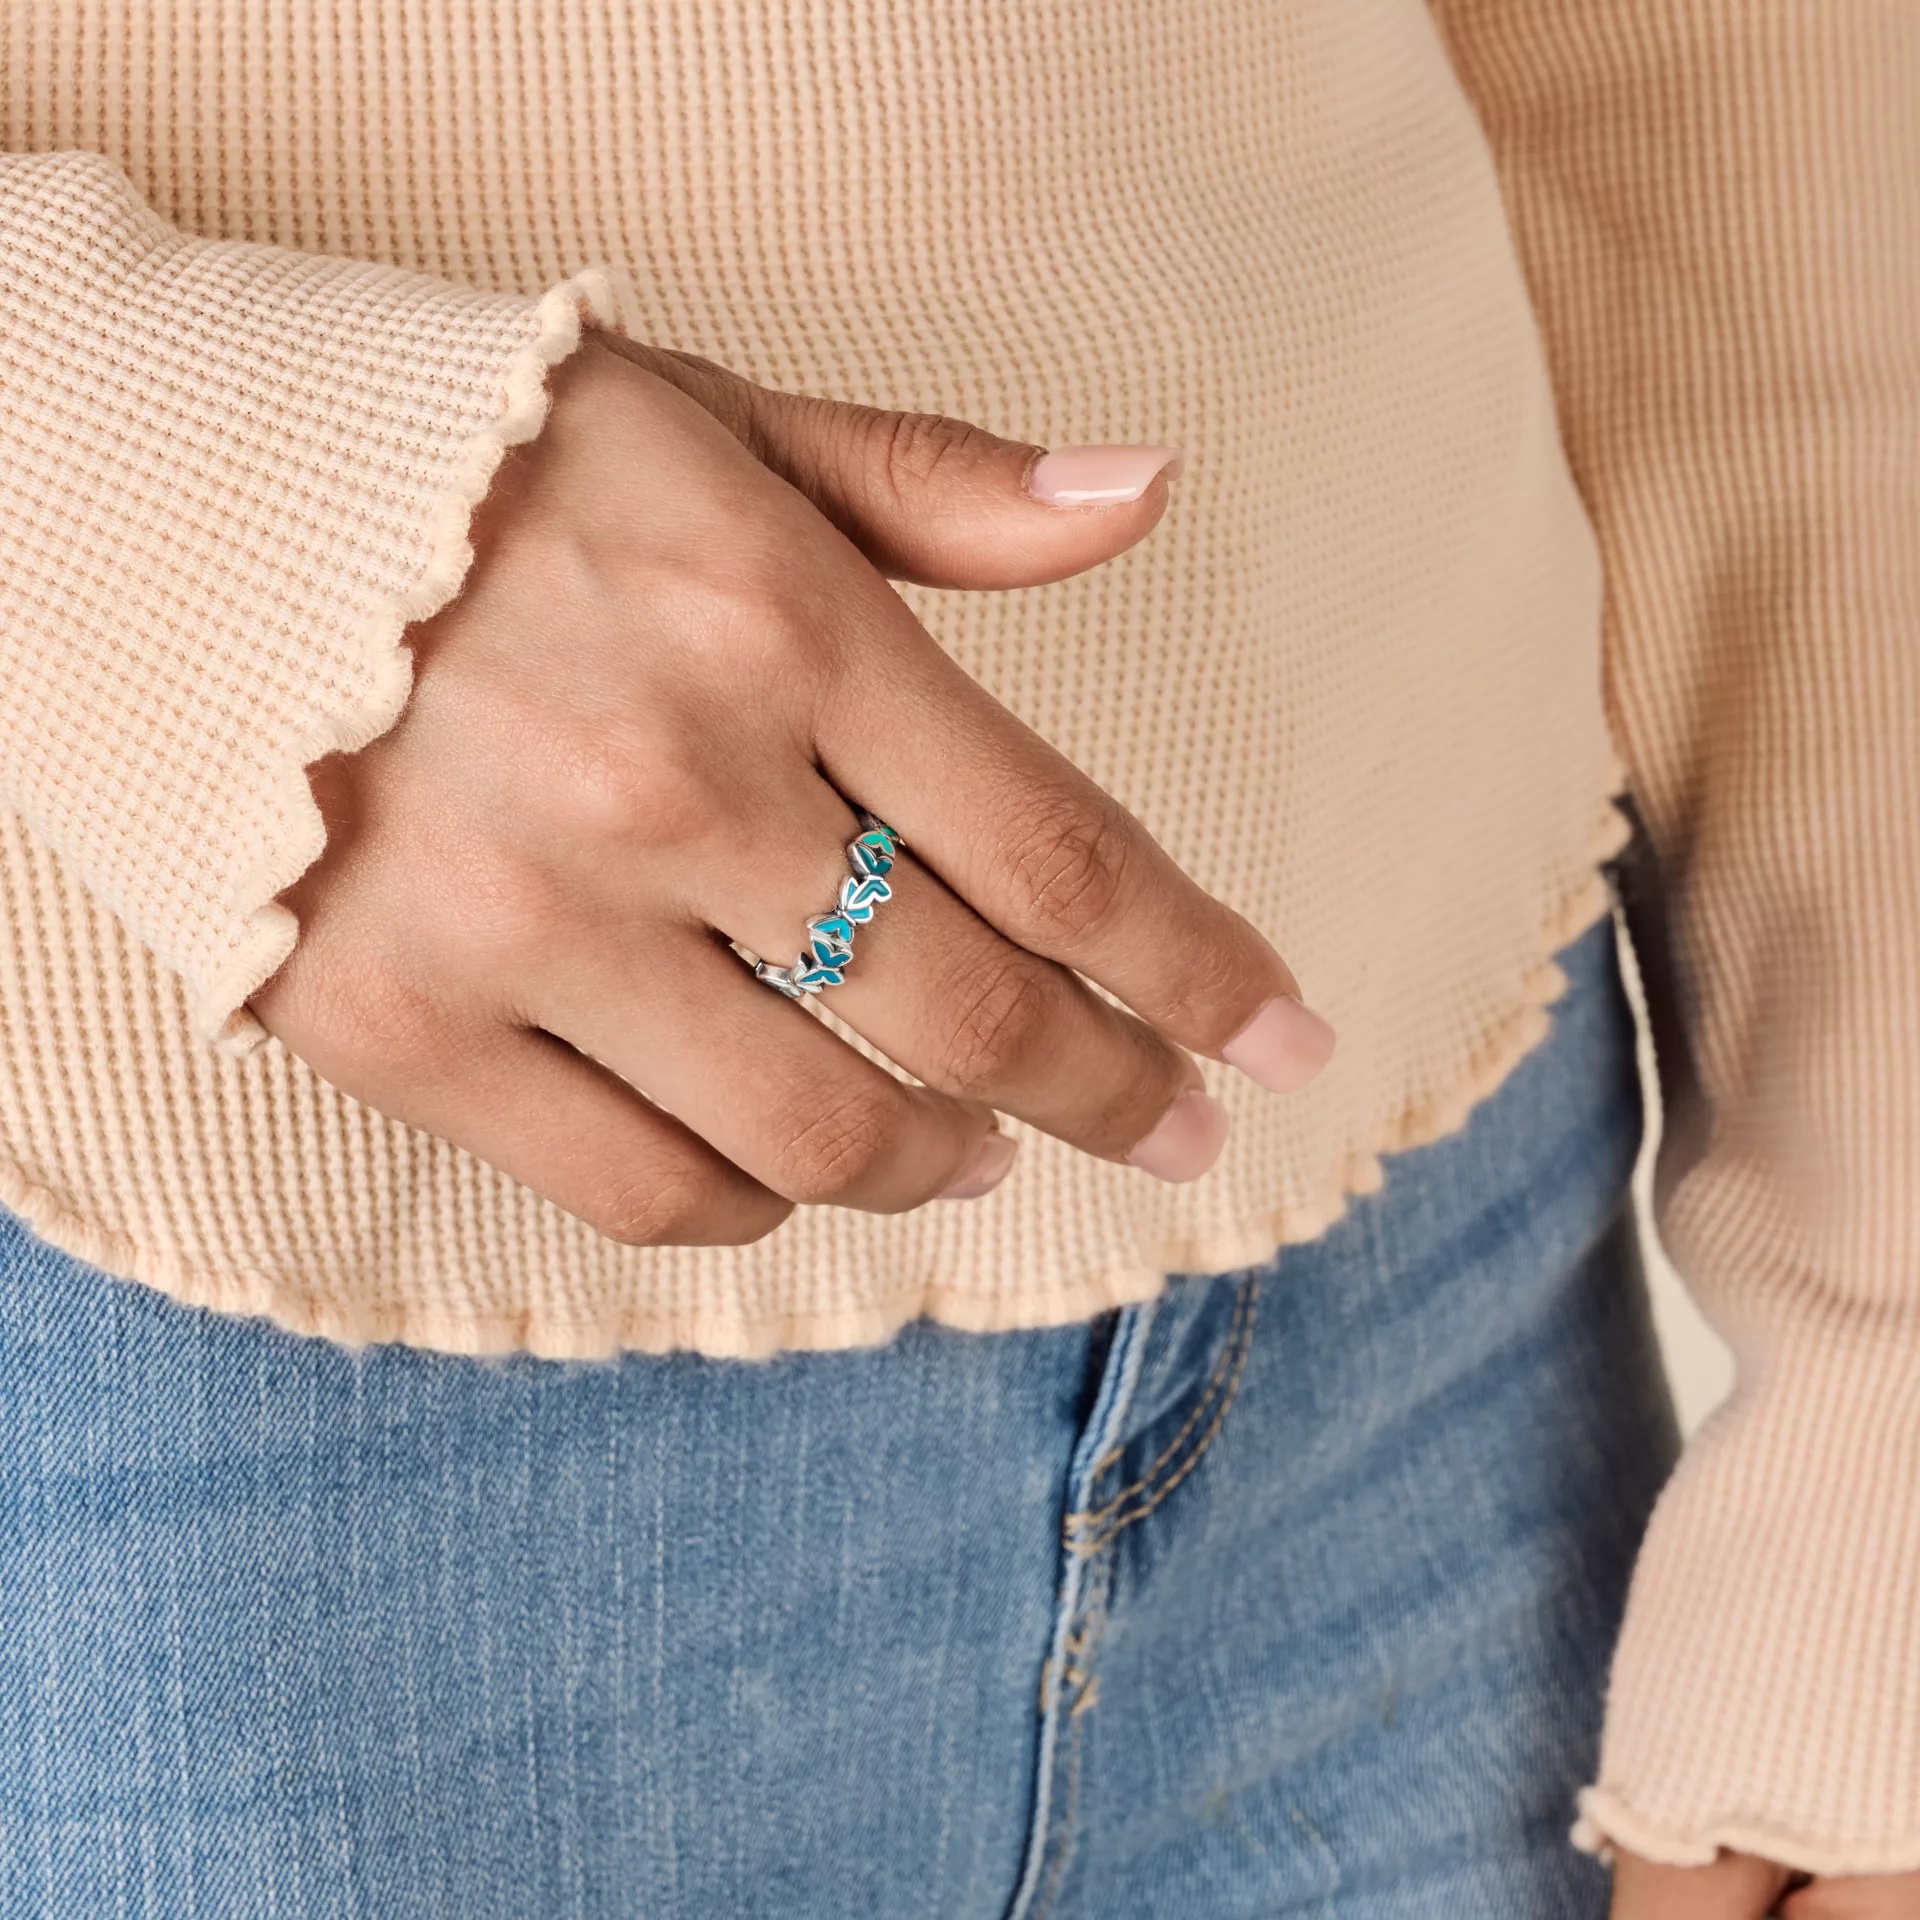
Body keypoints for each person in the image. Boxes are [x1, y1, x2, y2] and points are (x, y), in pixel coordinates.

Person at [0, 3, 1912, 1915]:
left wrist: (1883, 1356)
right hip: (180, 1363)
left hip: (1440, 1272)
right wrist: (161, 518)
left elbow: (1725, 71)